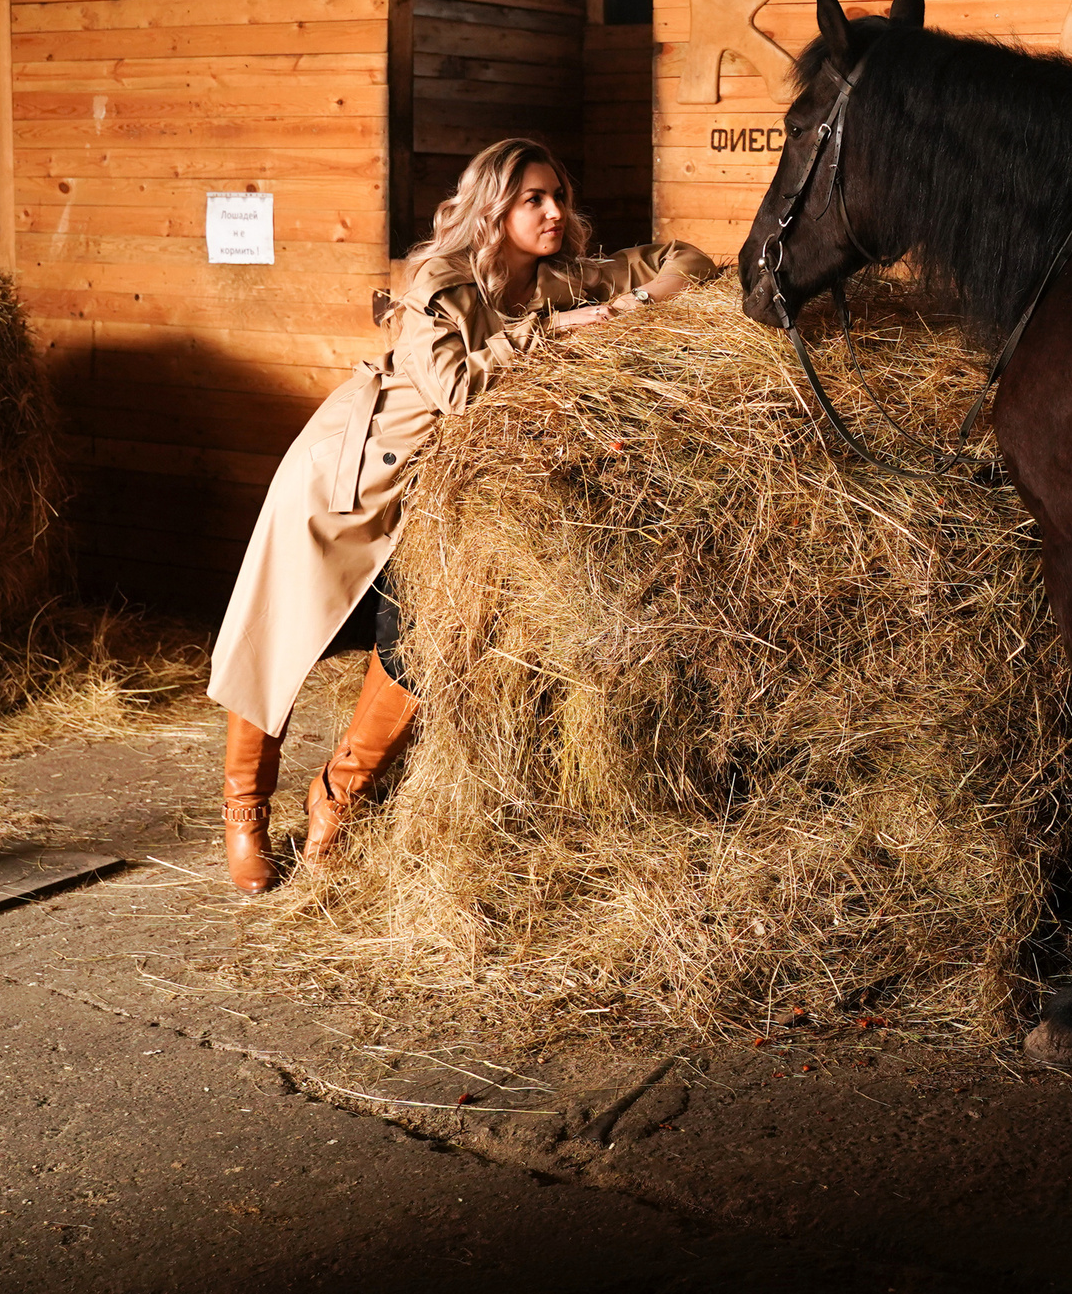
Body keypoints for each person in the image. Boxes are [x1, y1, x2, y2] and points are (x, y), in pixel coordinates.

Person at [206, 137, 716, 893]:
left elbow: (689, 258)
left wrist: (631, 303)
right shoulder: (436, 279)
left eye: (557, 197)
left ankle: (336, 801)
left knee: (415, 641)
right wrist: (568, 327)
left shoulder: (559, 275)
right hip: (353, 473)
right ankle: (243, 813)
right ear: (493, 209)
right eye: (532, 199)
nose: (553, 211)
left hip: (442, 494)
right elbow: (454, 389)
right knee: (275, 636)